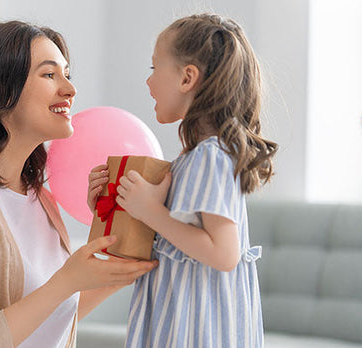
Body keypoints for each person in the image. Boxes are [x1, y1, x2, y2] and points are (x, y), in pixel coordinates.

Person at [0, 21, 158, 348]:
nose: (69, 89)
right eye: (49, 75)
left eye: (67, 75)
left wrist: (119, 266)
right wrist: (66, 282)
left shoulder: (40, 198)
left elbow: (53, 317)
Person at [88, 13, 278, 347]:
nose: (148, 83)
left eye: (153, 68)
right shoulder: (192, 160)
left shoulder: (212, 156)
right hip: (179, 322)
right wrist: (110, 207)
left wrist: (150, 211)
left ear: (187, 77)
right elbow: (173, 240)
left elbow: (223, 254)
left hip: (199, 330)